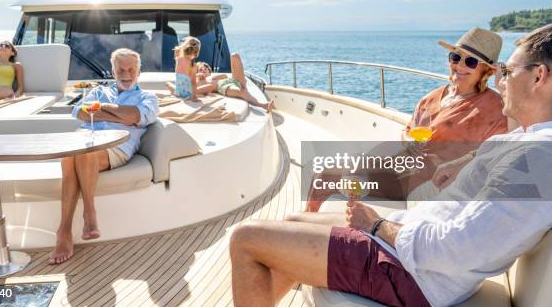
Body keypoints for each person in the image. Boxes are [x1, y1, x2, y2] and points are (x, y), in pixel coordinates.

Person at [229, 24, 552, 307]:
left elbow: (457, 249)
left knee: (245, 238)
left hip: (417, 275)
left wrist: (376, 226)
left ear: (539, 76)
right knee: (294, 218)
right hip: (412, 240)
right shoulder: (527, 142)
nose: (501, 81)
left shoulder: (537, 156)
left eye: (507, 73)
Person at [306, 27, 508, 210]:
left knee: (327, 179)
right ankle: (307, 227)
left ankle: (305, 232)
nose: (459, 65)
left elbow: (494, 154)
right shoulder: (433, 96)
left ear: (486, 71)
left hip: (425, 184)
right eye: (455, 57)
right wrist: (408, 138)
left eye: (470, 62)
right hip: (400, 168)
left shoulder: (495, 108)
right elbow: (408, 131)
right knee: (326, 173)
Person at [50, 48, 158, 265]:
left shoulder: (147, 97)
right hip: (86, 144)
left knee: (82, 151)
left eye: (131, 70)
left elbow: (135, 116)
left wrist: (104, 109)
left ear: (139, 72)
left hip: (116, 147)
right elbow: (80, 112)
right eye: (121, 70)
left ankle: (80, 219)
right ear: (113, 70)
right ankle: (70, 228)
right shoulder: (97, 91)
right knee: (73, 154)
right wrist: (121, 114)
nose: (126, 74)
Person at [195, 54, 274, 112]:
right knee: (242, 91)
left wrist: (212, 77)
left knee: (234, 56)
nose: (203, 69)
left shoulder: (213, 77)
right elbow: (198, 89)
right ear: (197, 72)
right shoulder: (201, 81)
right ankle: (264, 105)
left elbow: (225, 76)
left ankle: (244, 89)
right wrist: (198, 77)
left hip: (232, 81)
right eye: (200, 69)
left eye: (205, 68)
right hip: (223, 87)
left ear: (209, 71)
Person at [165, 36, 200, 102]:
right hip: (188, 94)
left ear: (185, 48)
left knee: (167, 83)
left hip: (178, 93)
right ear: (196, 53)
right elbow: (193, 83)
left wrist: (180, 48)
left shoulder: (178, 59)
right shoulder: (193, 65)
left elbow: (177, 52)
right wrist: (194, 97)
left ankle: (169, 85)